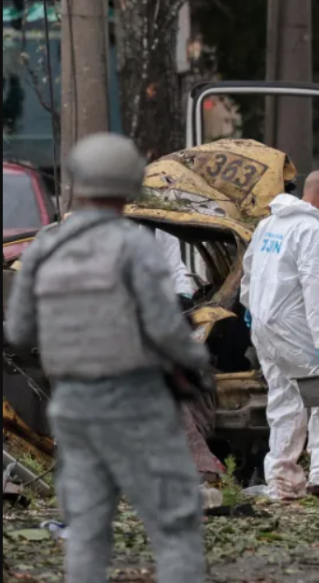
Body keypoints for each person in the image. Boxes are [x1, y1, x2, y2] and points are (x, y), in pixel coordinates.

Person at [6, 133, 209, 582]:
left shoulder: (44, 246)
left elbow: (19, 331)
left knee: (87, 526)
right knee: (174, 521)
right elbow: (165, 327)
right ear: (131, 183)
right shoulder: (136, 247)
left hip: (74, 407)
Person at [241, 170, 319, 500]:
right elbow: (314, 292)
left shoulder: (268, 224)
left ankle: (282, 481)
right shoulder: (312, 231)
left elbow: (248, 269)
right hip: (293, 325)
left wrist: (249, 305)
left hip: (264, 324)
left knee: (285, 400)